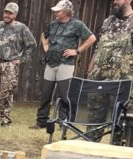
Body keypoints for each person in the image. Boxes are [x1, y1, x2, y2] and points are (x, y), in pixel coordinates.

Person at [33, 0, 95, 129]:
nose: (55, 13)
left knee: (64, 95)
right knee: (45, 94)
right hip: (50, 63)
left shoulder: (77, 25)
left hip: (65, 64)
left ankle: (64, 122)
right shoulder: (53, 24)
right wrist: (45, 46)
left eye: (58, 11)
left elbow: (91, 38)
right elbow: (44, 35)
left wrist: (77, 51)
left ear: (66, 11)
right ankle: (41, 121)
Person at [87, 0, 133, 111]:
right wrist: (90, 70)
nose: (114, 2)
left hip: (122, 82)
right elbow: (99, 47)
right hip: (98, 80)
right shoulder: (108, 21)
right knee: (94, 117)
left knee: (119, 117)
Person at [0, 2, 37, 127]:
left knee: (6, 93)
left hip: (10, 66)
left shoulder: (21, 28)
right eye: (6, 12)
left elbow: (32, 45)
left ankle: (5, 120)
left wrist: (21, 59)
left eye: (10, 13)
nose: (7, 15)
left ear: (15, 15)